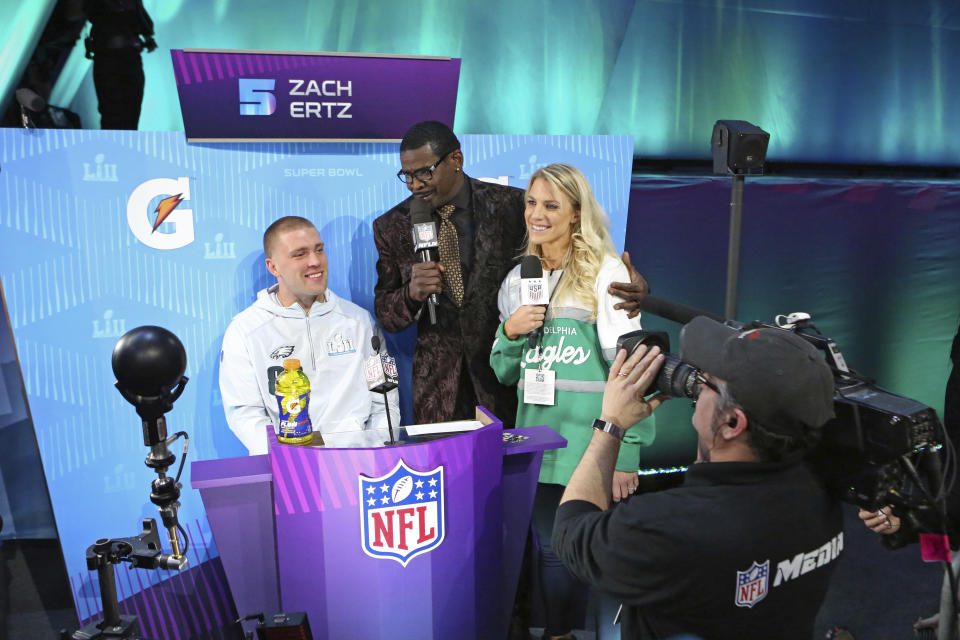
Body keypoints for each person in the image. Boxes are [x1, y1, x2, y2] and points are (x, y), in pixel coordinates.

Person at [553, 316, 843, 640]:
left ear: (733, 422)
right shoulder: (824, 487)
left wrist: (611, 424)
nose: (694, 384)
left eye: (705, 383)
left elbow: (569, 532)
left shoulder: (667, 528)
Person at [372, 121, 649, 427]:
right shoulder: (392, 226)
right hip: (438, 393)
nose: (415, 184)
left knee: (514, 473)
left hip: (509, 384)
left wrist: (624, 283)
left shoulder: (514, 206)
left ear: (456, 160)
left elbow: (568, 256)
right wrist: (411, 294)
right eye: (407, 176)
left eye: (424, 172)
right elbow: (387, 315)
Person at [489, 163, 655, 640]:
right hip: (538, 442)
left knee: (577, 551)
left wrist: (627, 452)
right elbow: (504, 371)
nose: (535, 215)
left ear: (576, 213)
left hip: (592, 446)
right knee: (548, 549)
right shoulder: (519, 279)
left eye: (550, 205)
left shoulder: (606, 275)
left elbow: (634, 369)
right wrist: (510, 331)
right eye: (530, 203)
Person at [220, 216, 399, 454]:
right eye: (300, 254)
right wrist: (290, 460)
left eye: (319, 250)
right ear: (273, 267)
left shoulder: (361, 322)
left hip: (361, 467)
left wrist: (374, 454)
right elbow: (244, 413)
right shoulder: (245, 330)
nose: (315, 261)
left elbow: (386, 401)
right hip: (292, 470)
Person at [83, 0, 157, 130]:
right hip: (109, 60)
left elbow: (142, 21)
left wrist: (147, 38)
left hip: (126, 59)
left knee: (130, 113)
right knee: (114, 115)